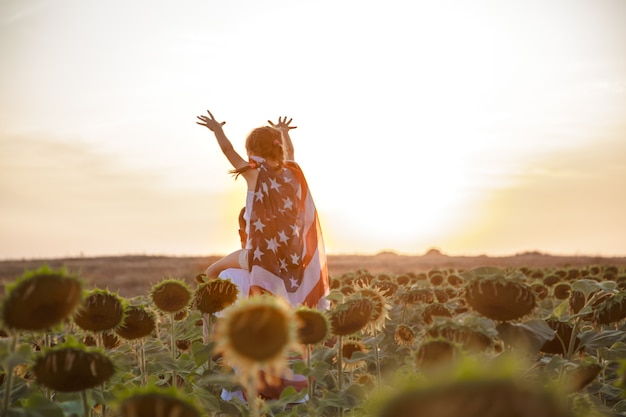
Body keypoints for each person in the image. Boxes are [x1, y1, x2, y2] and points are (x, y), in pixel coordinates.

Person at [196, 110, 329, 310]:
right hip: (290, 257)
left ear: (251, 151)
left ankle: (227, 318)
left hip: (257, 255)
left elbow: (227, 150)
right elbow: (291, 153)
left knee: (213, 272)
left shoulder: (254, 174)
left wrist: (217, 130)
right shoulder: (292, 173)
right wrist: (283, 131)